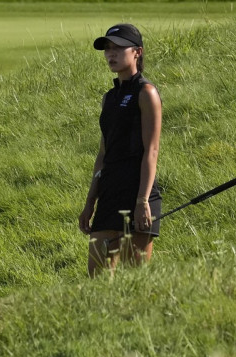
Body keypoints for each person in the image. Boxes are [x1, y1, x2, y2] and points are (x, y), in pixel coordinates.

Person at [78, 24, 163, 277]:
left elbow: (152, 151)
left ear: (137, 52)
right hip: (110, 194)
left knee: (134, 279)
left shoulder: (146, 92)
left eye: (118, 48)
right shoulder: (109, 98)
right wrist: (90, 201)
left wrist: (142, 201)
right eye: (107, 49)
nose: (110, 54)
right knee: (97, 277)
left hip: (138, 193)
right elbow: (103, 154)